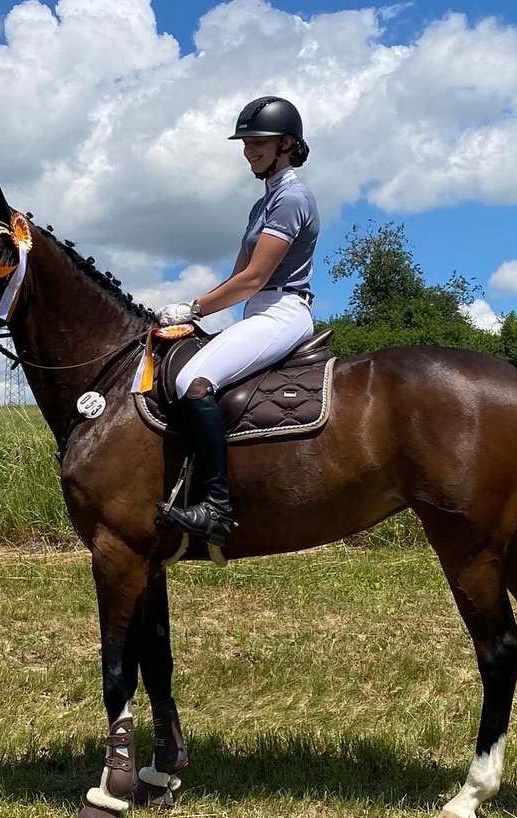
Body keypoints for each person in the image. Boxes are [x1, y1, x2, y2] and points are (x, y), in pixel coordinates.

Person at [152, 96, 319, 548]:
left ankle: (216, 508)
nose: (249, 151)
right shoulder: (261, 204)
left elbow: (256, 277)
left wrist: (194, 308)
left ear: (287, 143)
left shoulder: (292, 197)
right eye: (245, 143)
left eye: (258, 142)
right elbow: (238, 279)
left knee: (194, 380)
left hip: (283, 309)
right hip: (258, 311)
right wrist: (197, 316)